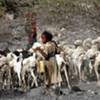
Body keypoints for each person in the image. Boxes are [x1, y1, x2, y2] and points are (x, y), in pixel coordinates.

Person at [34, 30, 62, 95]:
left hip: (48, 62)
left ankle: (47, 91)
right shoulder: (53, 44)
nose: (42, 40)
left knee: (47, 76)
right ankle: (57, 89)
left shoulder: (46, 46)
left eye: (43, 38)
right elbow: (58, 52)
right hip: (54, 61)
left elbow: (46, 56)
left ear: (47, 39)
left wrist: (40, 50)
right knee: (55, 75)